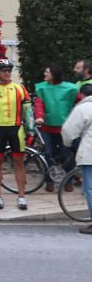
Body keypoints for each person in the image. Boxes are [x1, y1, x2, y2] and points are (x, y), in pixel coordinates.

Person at [0, 58, 35, 211]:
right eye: (4, 71)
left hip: (16, 128)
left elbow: (28, 111)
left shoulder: (19, 88)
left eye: (9, 71)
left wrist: (31, 130)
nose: (7, 73)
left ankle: (22, 196)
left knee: (19, 162)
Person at [34, 63, 79, 192]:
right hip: (47, 128)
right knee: (48, 155)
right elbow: (39, 104)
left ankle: (68, 180)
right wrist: (39, 117)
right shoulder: (42, 88)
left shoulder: (71, 88)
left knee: (67, 155)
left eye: (47, 72)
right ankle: (49, 181)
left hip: (65, 129)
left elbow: (80, 102)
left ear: (53, 74)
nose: (44, 74)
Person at [61, 84, 92, 234]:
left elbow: (68, 130)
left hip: (89, 154)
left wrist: (70, 144)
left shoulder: (82, 109)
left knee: (90, 189)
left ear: (81, 95)